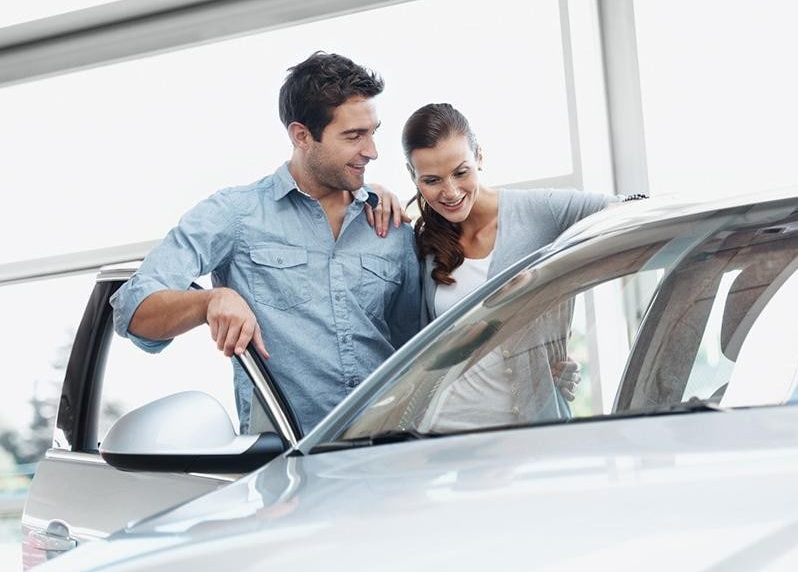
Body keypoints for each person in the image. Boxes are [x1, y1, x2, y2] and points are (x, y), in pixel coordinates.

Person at [110, 52, 422, 435]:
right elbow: (132, 310)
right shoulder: (235, 214)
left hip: (391, 456)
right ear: (301, 135)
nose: (372, 150)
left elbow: (420, 353)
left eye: (373, 132)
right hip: (288, 472)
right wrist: (209, 301)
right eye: (354, 136)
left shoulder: (390, 226)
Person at [402, 103, 618, 431]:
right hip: (443, 434)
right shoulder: (423, 239)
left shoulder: (539, 210)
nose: (451, 192)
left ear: (479, 156)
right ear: (412, 176)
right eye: (432, 180)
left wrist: (549, 348)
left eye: (461, 172)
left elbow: (632, 207)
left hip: (532, 430)